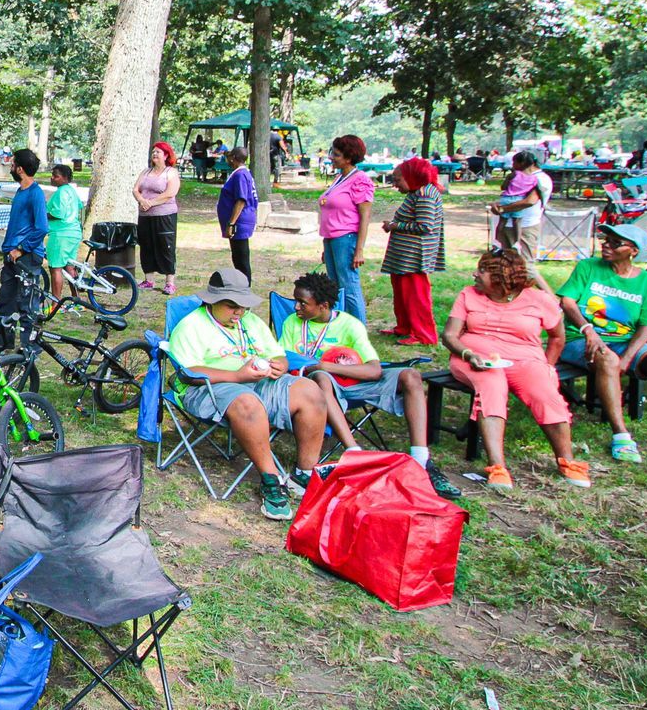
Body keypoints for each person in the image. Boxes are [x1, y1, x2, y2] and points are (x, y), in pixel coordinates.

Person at [166, 268, 336, 521]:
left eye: (243, 306)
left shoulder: (251, 322)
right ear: (211, 301)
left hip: (257, 381)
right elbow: (188, 372)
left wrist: (278, 363)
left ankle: (304, 473)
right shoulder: (191, 326)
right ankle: (271, 480)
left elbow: (275, 352)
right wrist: (237, 376)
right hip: (208, 388)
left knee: (311, 391)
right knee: (248, 403)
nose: (239, 312)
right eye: (231, 306)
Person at [283, 271, 458, 499]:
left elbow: (374, 370)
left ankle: (421, 458)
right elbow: (284, 359)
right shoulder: (292, 323)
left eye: (302, 303)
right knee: (321, 379)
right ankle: (353, 451)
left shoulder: (349, 325)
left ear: (323, 305)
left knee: (411, 376)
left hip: (356, 381)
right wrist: (321, 371)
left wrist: (328, 366)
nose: (296, 307)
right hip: (320, 388)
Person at [441, 248, 590, 492]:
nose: (475, 274)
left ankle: (567, 460)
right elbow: (449, 335)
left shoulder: (538, 299)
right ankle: (497, 466)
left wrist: (548, 367)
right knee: (492, 382)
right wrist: (469, 354)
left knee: (544, 390)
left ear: (501, 277)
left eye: (482, 270)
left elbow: (557, 337)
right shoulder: (468, 295)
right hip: (474, 358)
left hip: (525, 360)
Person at [556, 222, 647, 462]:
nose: (606, 245)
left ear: (633, 251)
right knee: (608, 360)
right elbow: (567, 302)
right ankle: (621, 436)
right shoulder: (588, 267)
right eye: (606, 240)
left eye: (616, 243)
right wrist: (587, 329)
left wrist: (628, 357)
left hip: (626, 342)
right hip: (580, 340)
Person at [380, 156, 446, 345]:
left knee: (416, 297)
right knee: (402, 294)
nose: (395, 184)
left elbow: (425, 226)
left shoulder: (425, 194)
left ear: (412, 176)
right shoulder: (417, 192)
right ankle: (404, 327)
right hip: (403, 257)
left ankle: (423, 334)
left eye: (398, 180)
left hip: (414, 257)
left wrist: (395, 225)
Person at [318, 135, 376, 322]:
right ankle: (342, 324)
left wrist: (359, 250)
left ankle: (359, 328)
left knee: (349, 286)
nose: (331, 157)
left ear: (349, 157)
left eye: (336, 154)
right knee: (335, 286)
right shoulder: (339, 178)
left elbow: (365, 216)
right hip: (331, 239)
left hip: (346, 239)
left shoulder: (360, 180)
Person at [0, 147, 48, 348]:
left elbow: (42, 227)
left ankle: (29, 350)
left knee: (28, 305)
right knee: (5, 302)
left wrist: (22, 249)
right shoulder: (20, 191)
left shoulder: (35, 193)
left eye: (13, 162)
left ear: (20, 169)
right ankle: (0, 345)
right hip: (11, 256)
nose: (10, 164)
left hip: (26, 257)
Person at [489, 149, 553, 287]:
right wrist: (499, 205)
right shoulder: (518, 175)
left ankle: (553, 302)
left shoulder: (540, 178)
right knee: (508, 263)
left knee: (525, 266)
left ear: (525, 162)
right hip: (509, 225)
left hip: (526, 228)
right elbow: (509, 193)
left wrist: (503, 209)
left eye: (515, 162)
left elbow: (529, 201)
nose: (512, 165)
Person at [135, 141, 181, 296]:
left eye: (158, 152)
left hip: (165, 215)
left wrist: (151, 203)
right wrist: (142, 201)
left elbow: (170, 193)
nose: (154, 154)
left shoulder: (171, 172)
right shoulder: (146, 172)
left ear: (166, 155)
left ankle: (169, 282)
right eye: (153, 152)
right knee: (146, 245)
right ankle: (148, 280)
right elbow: (136, 189)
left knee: (165, 246)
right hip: (145, 216)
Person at [44, 163, 84, 299]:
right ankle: (76, 299)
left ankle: (56, 303)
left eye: (56, 176)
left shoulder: (61, 192)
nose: (52, 178)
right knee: (70, 266)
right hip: (74, 233)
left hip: (61, 234)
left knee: (55, 268)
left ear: (65, 178)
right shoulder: (71, 190)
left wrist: (42, 215)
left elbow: (58, 213)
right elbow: (79, 205)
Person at [217, 146, 258, 279]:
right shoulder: (241, 173)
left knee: (241, 259)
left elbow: (241, 200)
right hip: (240, 221)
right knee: (238, 257)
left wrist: (231, 223)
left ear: (234, 158)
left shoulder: (240, 174)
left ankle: (244, 288)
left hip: (240, 222)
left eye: (229, 157)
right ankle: (242, 286)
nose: (227, 160)